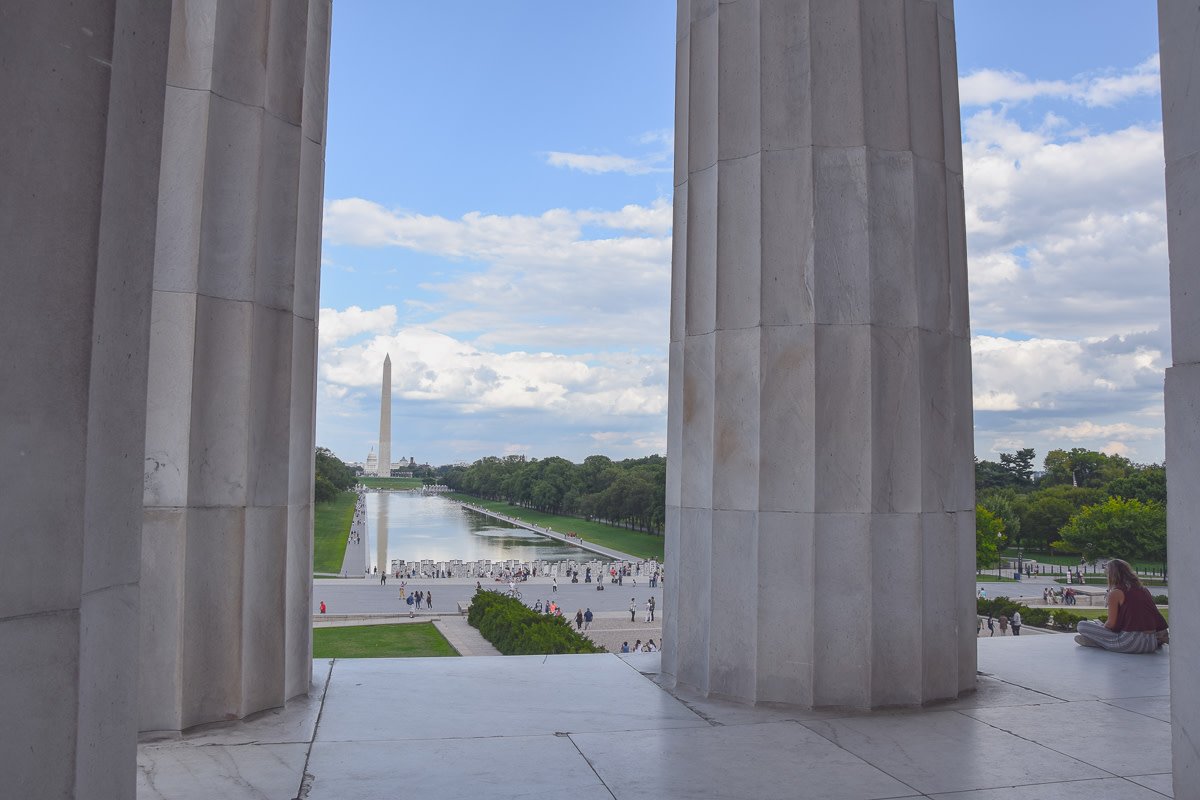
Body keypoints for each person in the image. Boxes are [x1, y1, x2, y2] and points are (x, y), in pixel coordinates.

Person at [1075, 558, 1169, 653]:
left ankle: (1097, 642)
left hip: (1131, 642)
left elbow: (1111, 624)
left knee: (1082, 625)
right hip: (1151, 642)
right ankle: (1099, 642)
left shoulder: (1116, 593)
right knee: (1099, 627)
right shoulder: (1144, 590)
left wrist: (1102, 627)